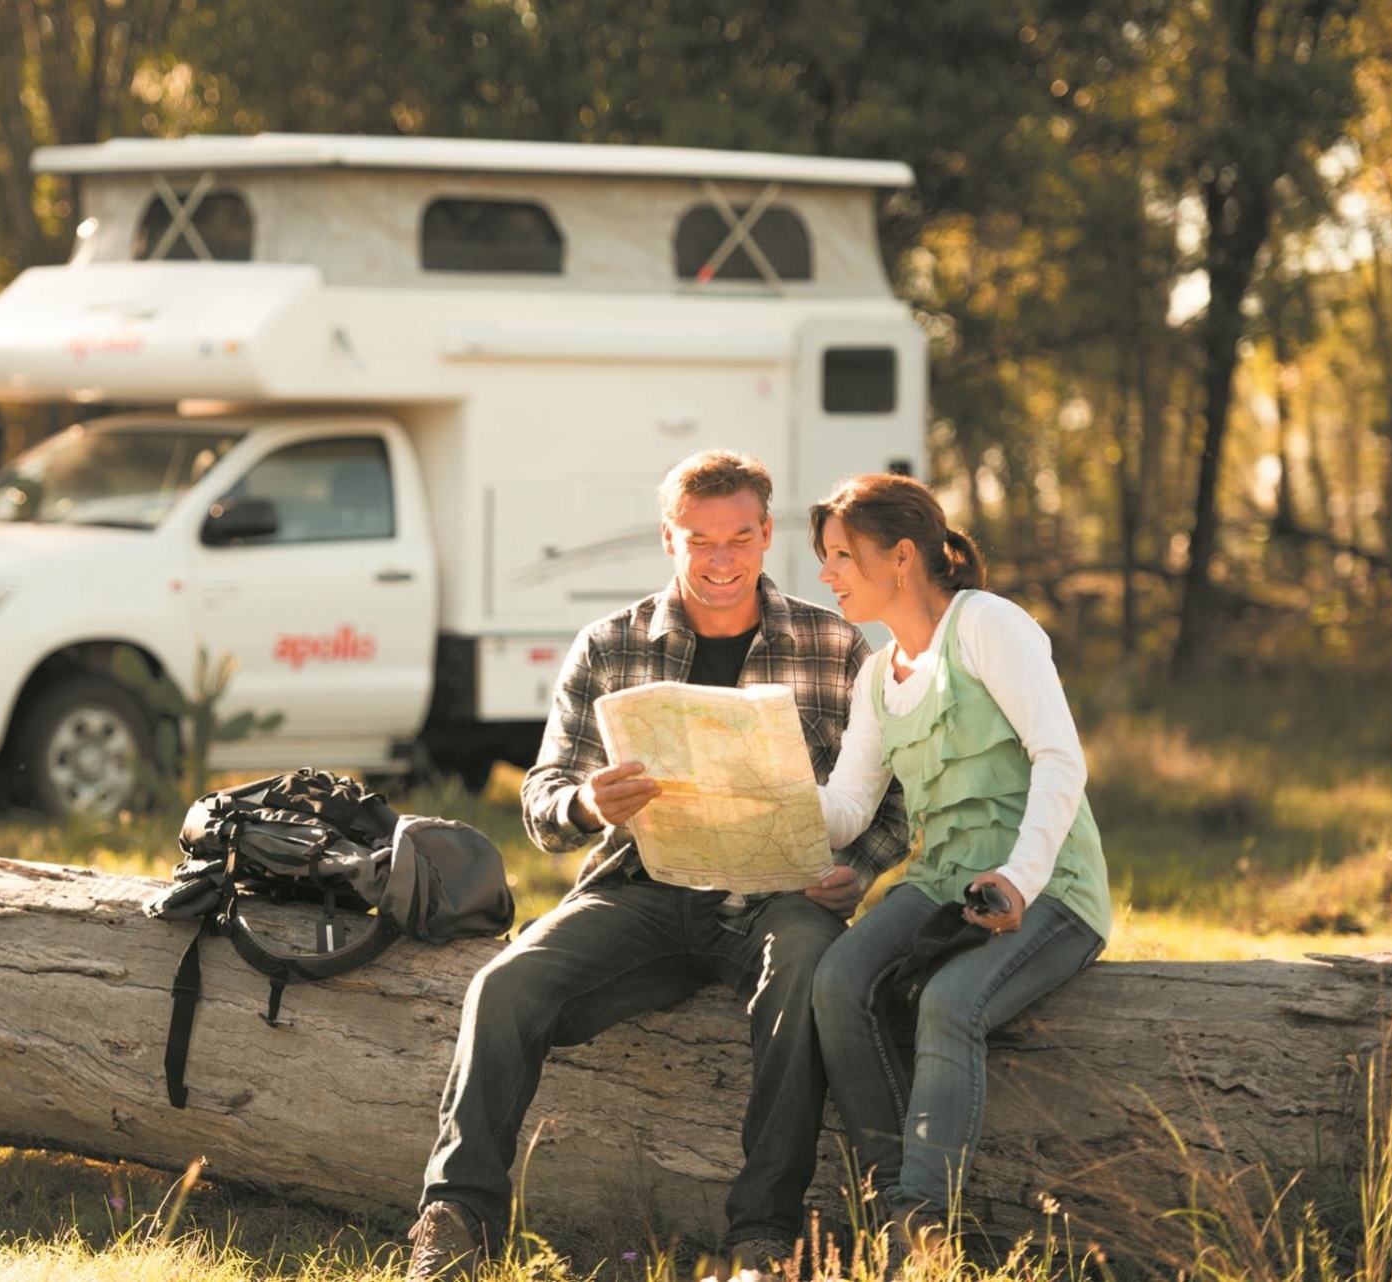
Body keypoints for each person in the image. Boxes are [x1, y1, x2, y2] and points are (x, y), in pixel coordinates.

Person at [404, 451, 910, 1281]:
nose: (721, 561)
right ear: (669, 539)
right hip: (642, 891)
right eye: (700, 540)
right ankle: (455, 1220)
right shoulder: (608, 645)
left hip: (783, 896)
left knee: (810, 967)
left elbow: (890, 803)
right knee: (504, 985)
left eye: (739, 539)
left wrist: (855, 870)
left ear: (763, 536)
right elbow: (543, 801)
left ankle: (764, 1237)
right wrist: (590, 805)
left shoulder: (835, 644)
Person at [806, 473, 1112, 1253]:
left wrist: (1019, 877)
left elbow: (1059, 757)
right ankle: (890, 1205)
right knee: (839, 981)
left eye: (841, 555)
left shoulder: (988, 625)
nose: (826, 574)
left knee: (950, 1001)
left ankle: (923, 1220)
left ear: (901, 557)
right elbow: (845, 807)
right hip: (942, 881)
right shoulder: (878, 676)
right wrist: (751, 796)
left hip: (1047, 886)